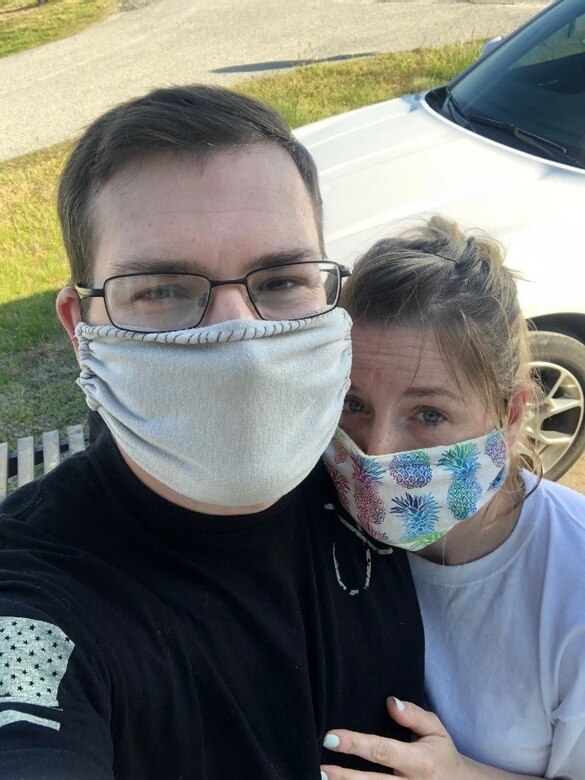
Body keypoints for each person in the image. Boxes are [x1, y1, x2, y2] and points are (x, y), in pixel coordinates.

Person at [0, 85, 425, 778]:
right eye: (163, 290)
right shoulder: (33, 593)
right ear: (83, 330)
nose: (242, 338)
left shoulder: (379, 475)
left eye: (283, 279)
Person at [320, 216, 585, 779]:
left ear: (511, 415)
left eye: (429, 414)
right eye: (354, 404)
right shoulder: (313, 521)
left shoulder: (573, 586)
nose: (378, 451)